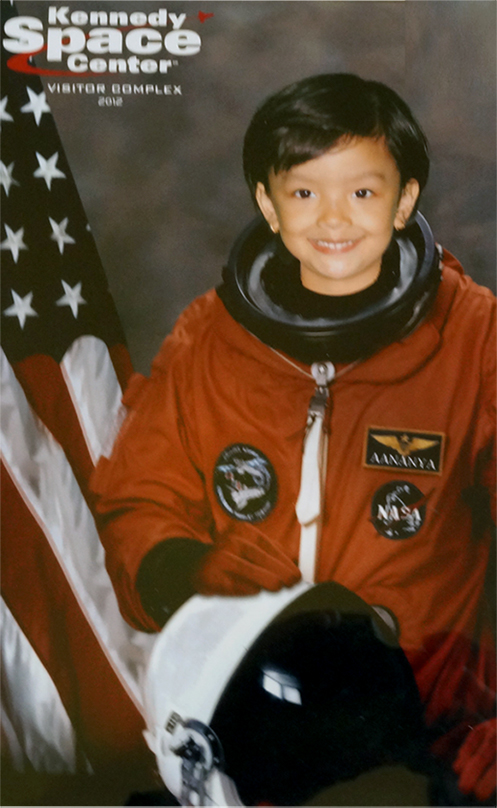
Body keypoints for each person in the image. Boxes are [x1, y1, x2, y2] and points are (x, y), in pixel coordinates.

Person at [91, 74, 496, 804]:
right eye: (304, 192)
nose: (332, 218)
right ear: (265, 205)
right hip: (243, 735)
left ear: (405, 201)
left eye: (362, 193)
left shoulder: (471, 343)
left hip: (415, 738)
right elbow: (139, 501)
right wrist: (189, 567)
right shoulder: (210, 340)